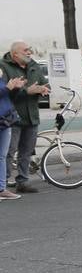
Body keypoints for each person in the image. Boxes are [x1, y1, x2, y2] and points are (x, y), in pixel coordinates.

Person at [1, 40, 49, 193]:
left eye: (29, 50)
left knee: (26, 151)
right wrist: (26, 91)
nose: (29, 53)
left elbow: (44, 83)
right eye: (25, 50)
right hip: (13, 117)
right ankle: (3, 183)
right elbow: (4, 92)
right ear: (15, 54)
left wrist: (43, 89)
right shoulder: (4, 66)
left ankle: (23, 181)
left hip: (32, 115)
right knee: (8, 152)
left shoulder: (34, 65)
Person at [0, 68, 20, 199]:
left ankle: (1, 189)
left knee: (2, 156)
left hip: (5, 120)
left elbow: (6, 97)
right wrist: (7, 88)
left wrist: (15, 88)